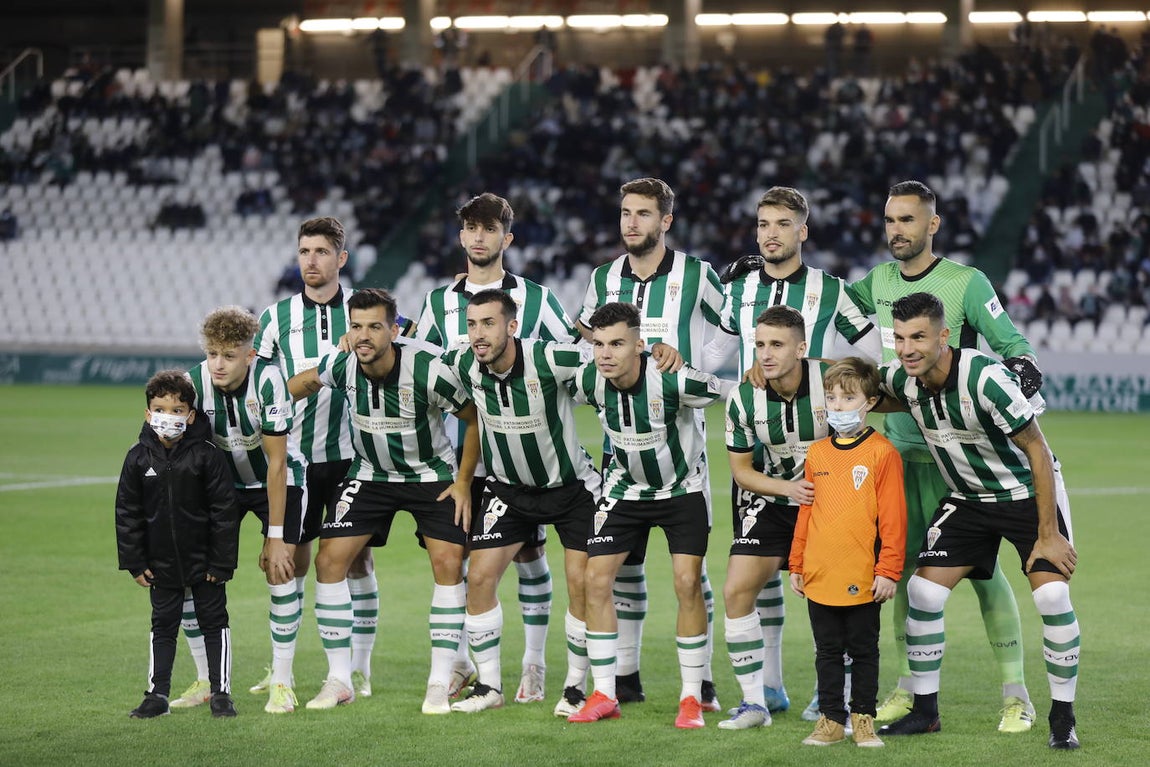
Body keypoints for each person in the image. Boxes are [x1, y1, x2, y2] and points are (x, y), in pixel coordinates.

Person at [847, 180, 1046, 732]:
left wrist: (1024, 370)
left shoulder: (966, 283)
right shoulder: (878, 282)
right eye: (890, 221)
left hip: (955, 463)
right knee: (902, 575)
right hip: (894, 458)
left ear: (932, 225)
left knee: (984, 575)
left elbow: (1011, 343)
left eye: (907, 220)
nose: (896, 231)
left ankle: (1016, 693)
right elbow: (827, 310)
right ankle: (911, 691)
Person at [876, 293, 1080, 750]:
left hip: (1027, 493)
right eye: (901, 338)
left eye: (919, 337)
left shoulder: (985, 379)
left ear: (944, 336)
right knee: (923, 590)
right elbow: (856, 381)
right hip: (968, 498)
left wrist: (1047, 535)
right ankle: (925, 713)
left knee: (1051, 596)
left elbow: (1038, 450)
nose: (908, 348)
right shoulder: (903, 379)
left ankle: (1061, 717)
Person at [714, 186, 877, 719]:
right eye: (763, 224)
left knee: (832, 592)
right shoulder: (735, 289)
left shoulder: (833, 291)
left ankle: (835, 692)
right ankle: (767, 691)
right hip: (763, 462)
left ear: (802, 232)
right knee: (756, 586)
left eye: (782, 224)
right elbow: (714, 350)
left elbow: (872, 356)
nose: (770, 234)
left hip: (826, 466)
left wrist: (830, 376)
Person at [416, 193, 578, 704]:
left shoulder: (537, 298)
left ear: (506, 238)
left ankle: (534, 663)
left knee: (531, 556)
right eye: (470, 228)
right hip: (470, 454)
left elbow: (571, 359)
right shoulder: (439, 303)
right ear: (461, 237)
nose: (478, 237)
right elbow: (425, 366)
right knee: (464, 562)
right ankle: (467, 665)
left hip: (532, 455)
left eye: (489, 229)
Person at [287, 288, 479, 713]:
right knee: (329, 561)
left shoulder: (428, 369)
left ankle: (440, 678)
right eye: (356, 326)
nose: (364, 336)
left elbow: (473, 418)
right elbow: (296, 386)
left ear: (395, 329)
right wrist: (261, 402)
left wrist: (464, 482)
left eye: (375, 326)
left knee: (448, 562)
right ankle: (339, 679)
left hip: (432, 475)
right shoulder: (340, 364)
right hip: (370, 475)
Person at [577, 177, 727, 710]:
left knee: (691, 574)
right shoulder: (603, 277)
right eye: (624, 213)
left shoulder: (696, 274)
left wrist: (694, 362)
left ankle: (700, 682)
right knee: (623, 573)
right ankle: (621, 679)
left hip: (679, 432)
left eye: (642, 214)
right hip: (622, 455)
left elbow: (730, 328)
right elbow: (585, 334)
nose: (630, 223)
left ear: (665, 221)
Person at [256, 217, 405, 701]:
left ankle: (358, 670)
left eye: (322, 251)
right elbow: (262, 385)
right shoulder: (275, 317)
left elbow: (399, 354)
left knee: (356, 561)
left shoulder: (365, 312)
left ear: (342, 258)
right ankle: (282, 673)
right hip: (295, 459)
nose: (311, 261)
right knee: (289, 563)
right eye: (304, 251)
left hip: (352, 459)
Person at [566, 302, 734, 729]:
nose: (605, 353)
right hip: (624, 491)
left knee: (686, 582)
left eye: (618, 344)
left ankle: (693, 697)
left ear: (640, 344)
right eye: (600, 344)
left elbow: (731, 392)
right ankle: (604, 693)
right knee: (594, 579)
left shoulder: (674, 378)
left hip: (682, 490)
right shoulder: (588, 379)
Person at [440, 290, 600, 717]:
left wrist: (650, 351)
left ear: (512, 326)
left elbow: (604, 360)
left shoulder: (550, 358)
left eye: (488, 323)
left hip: (570, 490)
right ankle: (490, 685)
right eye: (472, 324)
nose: (478, 334)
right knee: (479, 579)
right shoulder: (461, 363)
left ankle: (574, 687)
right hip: (507, 492)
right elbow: (417, 360)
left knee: (581, 583)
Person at [174, 306, 307, 714]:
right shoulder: (192, 383)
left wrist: (277, 536)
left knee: (280, 568)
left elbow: (279, 464)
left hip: (276, 482)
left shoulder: (269, 381)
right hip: (220, 487)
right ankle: (205, 679)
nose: (218, 363)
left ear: (249, 356)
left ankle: (282, 682)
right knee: (188, 573)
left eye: (229, 355)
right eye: (212, 353)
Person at [720, 306, 829, 730]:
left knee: (831, 600)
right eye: (760, 344)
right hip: (771, 499)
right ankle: (756, 702)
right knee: (736, 589)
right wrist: (788, 488)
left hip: (827, 507)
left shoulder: (832, 382)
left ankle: (830, 692)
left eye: (777, 345)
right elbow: (742, 471)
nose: (766, 354)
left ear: (801, 348)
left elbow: (880, 394)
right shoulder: (743, 397)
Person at [789, 357, 906, 748]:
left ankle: (863, 719)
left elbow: (893, 519)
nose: (838, 405)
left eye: (848, 397)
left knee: (862, 651)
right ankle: (830, 721)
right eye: (832, 397)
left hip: (861, 574)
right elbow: (807, 512)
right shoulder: (818, 453)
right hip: (820, 572)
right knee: (826, 651)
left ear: (869, 402)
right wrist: (796, 562)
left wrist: (888, 570)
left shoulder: (882, 453)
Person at [115, 370, 240, 719]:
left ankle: (221, 692)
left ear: (191, 415)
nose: (167, 417)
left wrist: (222, 563)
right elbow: (127, 513)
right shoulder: (138, 458)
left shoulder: (207, 456)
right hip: (161, 563)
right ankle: (157, 695)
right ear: (147, 413)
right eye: (159, 409)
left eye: (177, 409)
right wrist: (135, 562)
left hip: (205, 564)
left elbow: (225, 513)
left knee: (214, 622)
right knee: (163, 626)